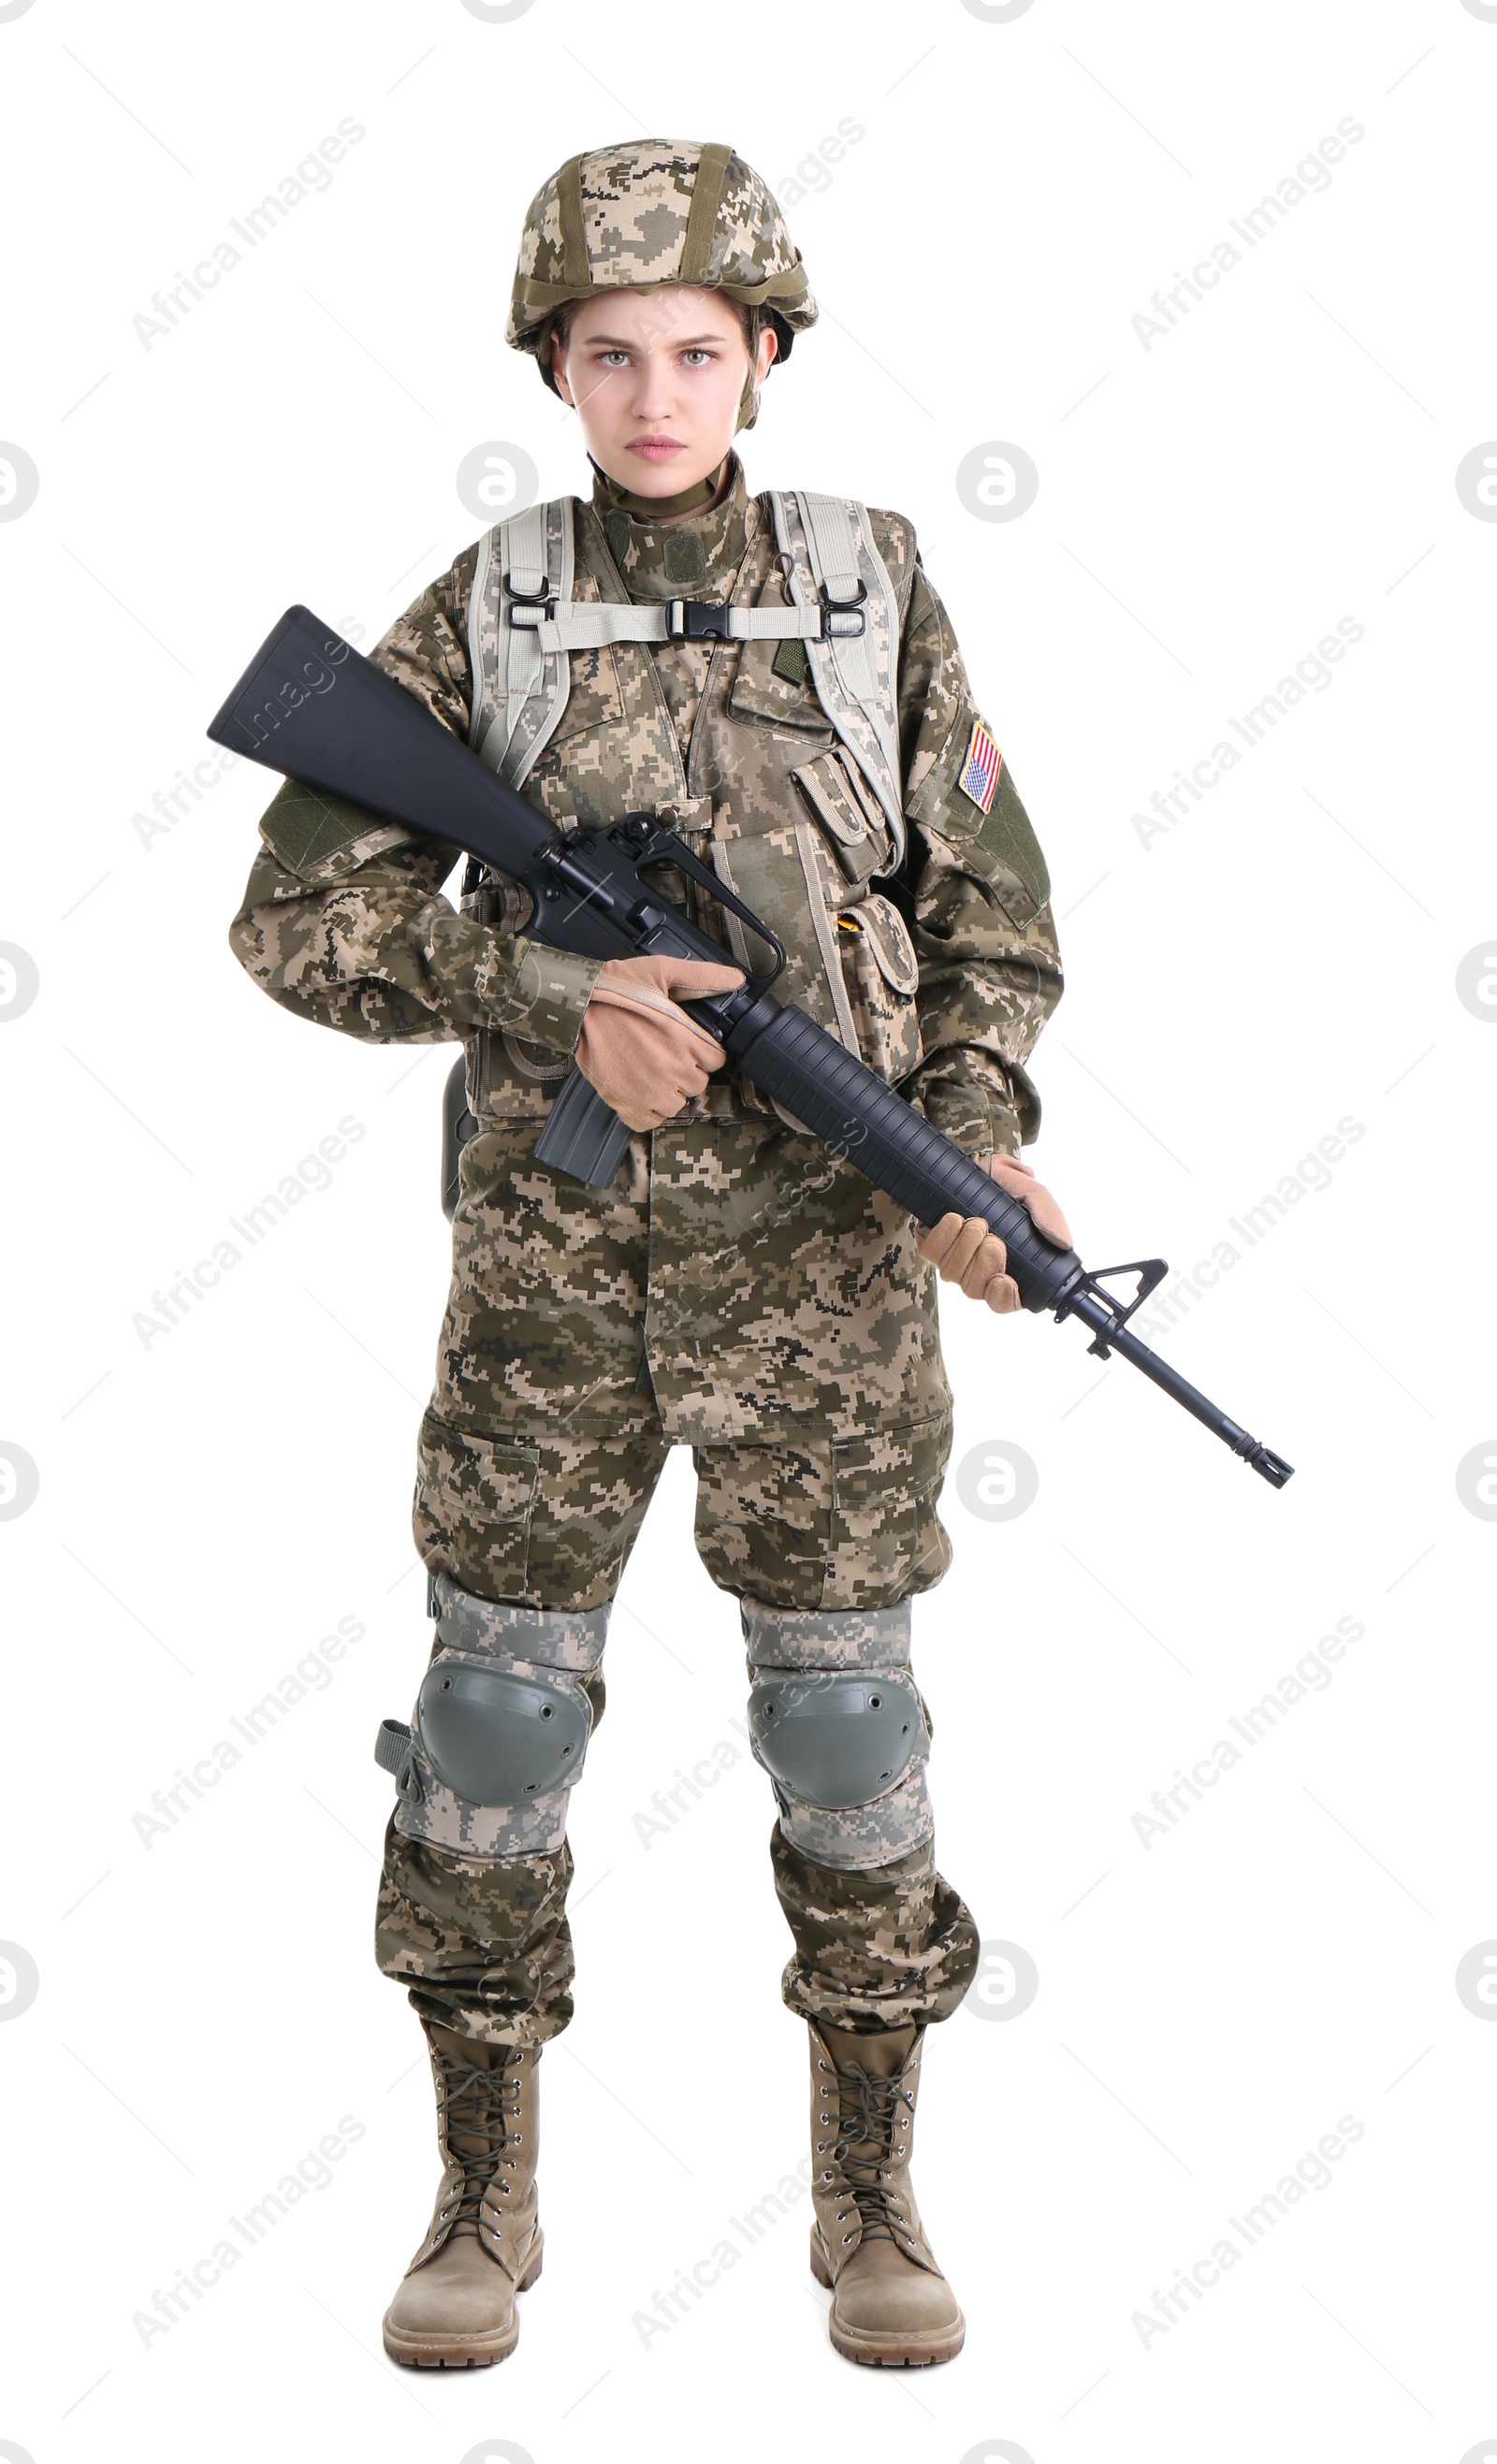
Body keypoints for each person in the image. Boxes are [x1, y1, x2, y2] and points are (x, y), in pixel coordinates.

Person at [227, 138, 1068, 2372]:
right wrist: (542, 996)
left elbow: (989, 914)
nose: (655, 390)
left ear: (766, 358)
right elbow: (292, 918)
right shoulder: (487, 603)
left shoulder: (876, 583)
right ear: (554, 372)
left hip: (825, 1290)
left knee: (846, 1726)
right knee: (493, 1721)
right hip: (551, 1284)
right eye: (608, 355)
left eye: (699, 349)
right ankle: (477, 2200)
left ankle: (868, 2197)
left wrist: (975, 1152)